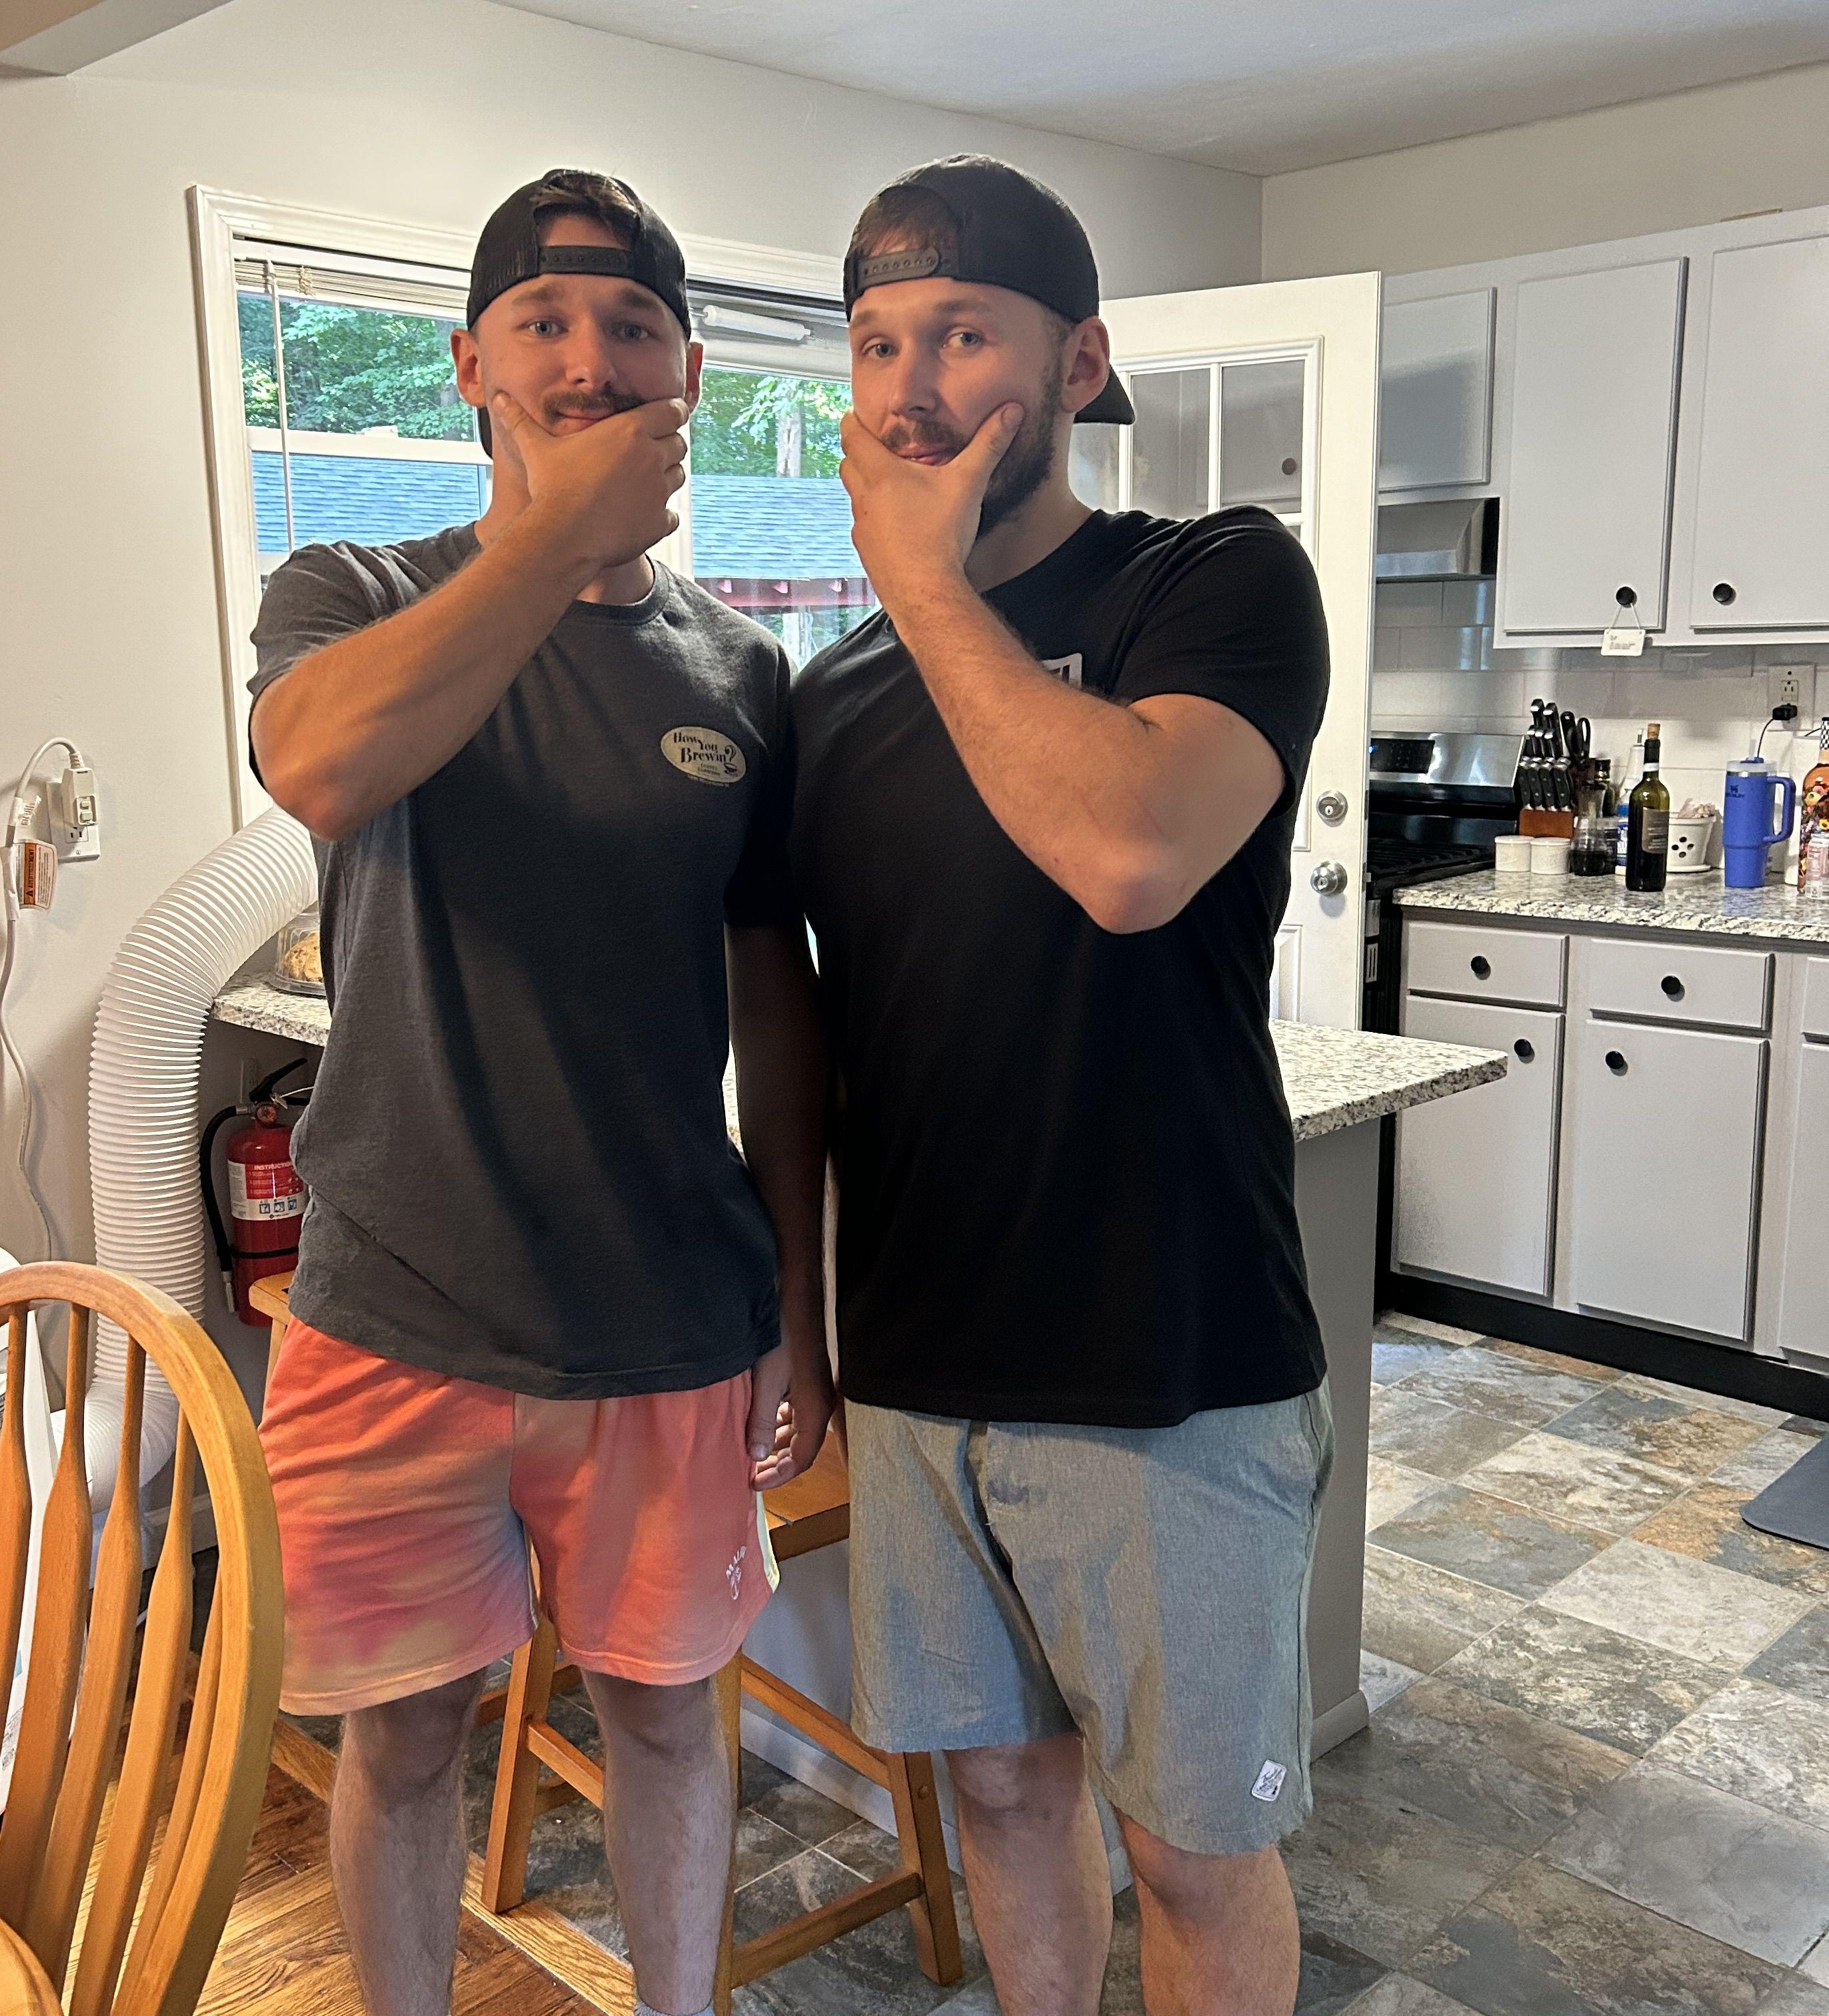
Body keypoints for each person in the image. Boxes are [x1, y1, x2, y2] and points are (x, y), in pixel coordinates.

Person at [247, 168, 832, 2016]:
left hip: (668, 1316)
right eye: (546, 323)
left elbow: (778, 1000)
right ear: (468, 366)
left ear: (689, 373)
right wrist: (547, 540)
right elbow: (320, 768)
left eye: (634, 326)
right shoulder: (352, 592)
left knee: (665, 1721)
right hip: (391, 1307)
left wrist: (799, 1302)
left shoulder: (740, 673)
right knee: (404, 1741)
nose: (591, 359)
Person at [790, 156, 1334, 2016]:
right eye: (879, 344)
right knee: (1006, 1800)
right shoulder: (832, 694)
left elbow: (1130, 855)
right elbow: (805, 1022)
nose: (912, 386)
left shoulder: (1217, 580)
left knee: (1191, 1852)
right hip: (922, 1361)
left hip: (1168, 1355)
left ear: (1081, 364)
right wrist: (801, 1319)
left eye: (963, 335)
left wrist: (920, 586)